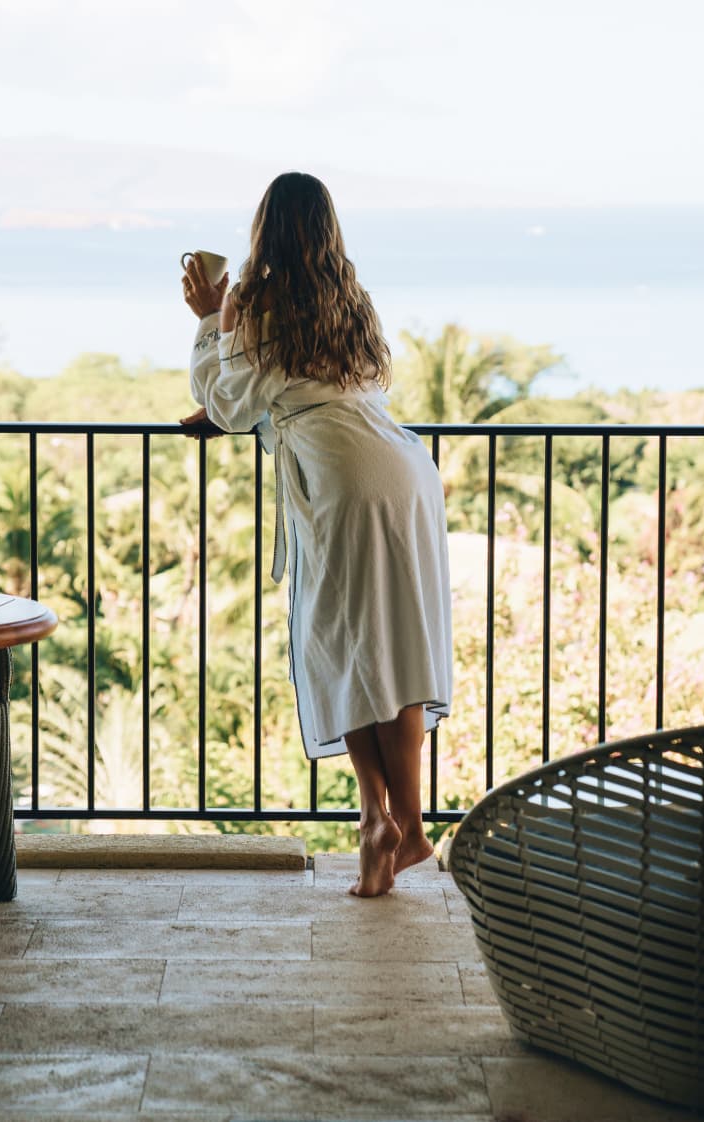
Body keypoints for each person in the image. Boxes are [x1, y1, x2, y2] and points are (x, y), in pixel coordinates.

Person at [180, 171, 452, 897]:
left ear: (264, 227)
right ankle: (406, 830)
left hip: (340, 483)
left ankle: (375, 820)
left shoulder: (254, 301)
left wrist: (211, 319)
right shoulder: (350, 297)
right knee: (392, 644)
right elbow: (327, 384)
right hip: (401, 470)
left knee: (339, 645)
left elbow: (233, 402)